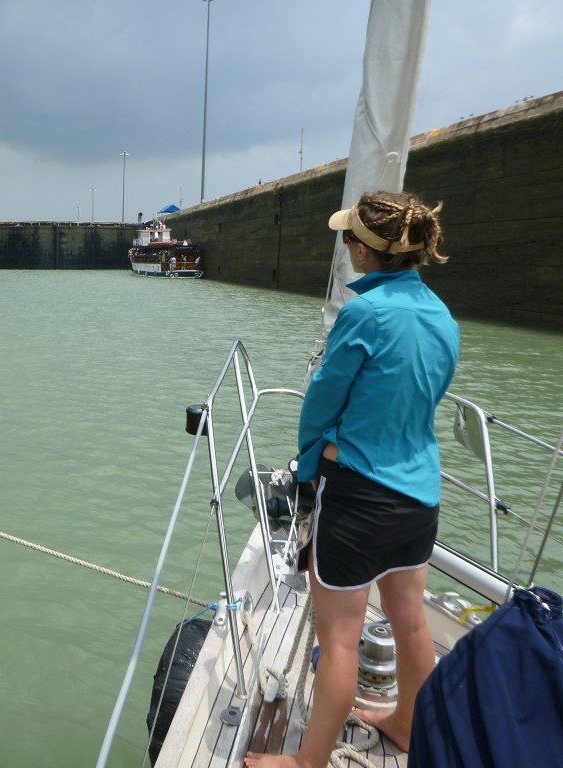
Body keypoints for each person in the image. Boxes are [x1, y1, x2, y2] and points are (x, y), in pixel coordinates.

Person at [246, 191, 460, 768]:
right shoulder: (442, 316)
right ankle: (409, 724)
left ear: (365, 250)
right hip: (420, 494)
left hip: (361, 494)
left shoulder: (364, 313)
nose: (346, 248)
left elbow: (322, 401)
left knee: (337, 639)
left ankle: (307, 760)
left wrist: (309, 463)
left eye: (349, 240)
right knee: (411, 622)